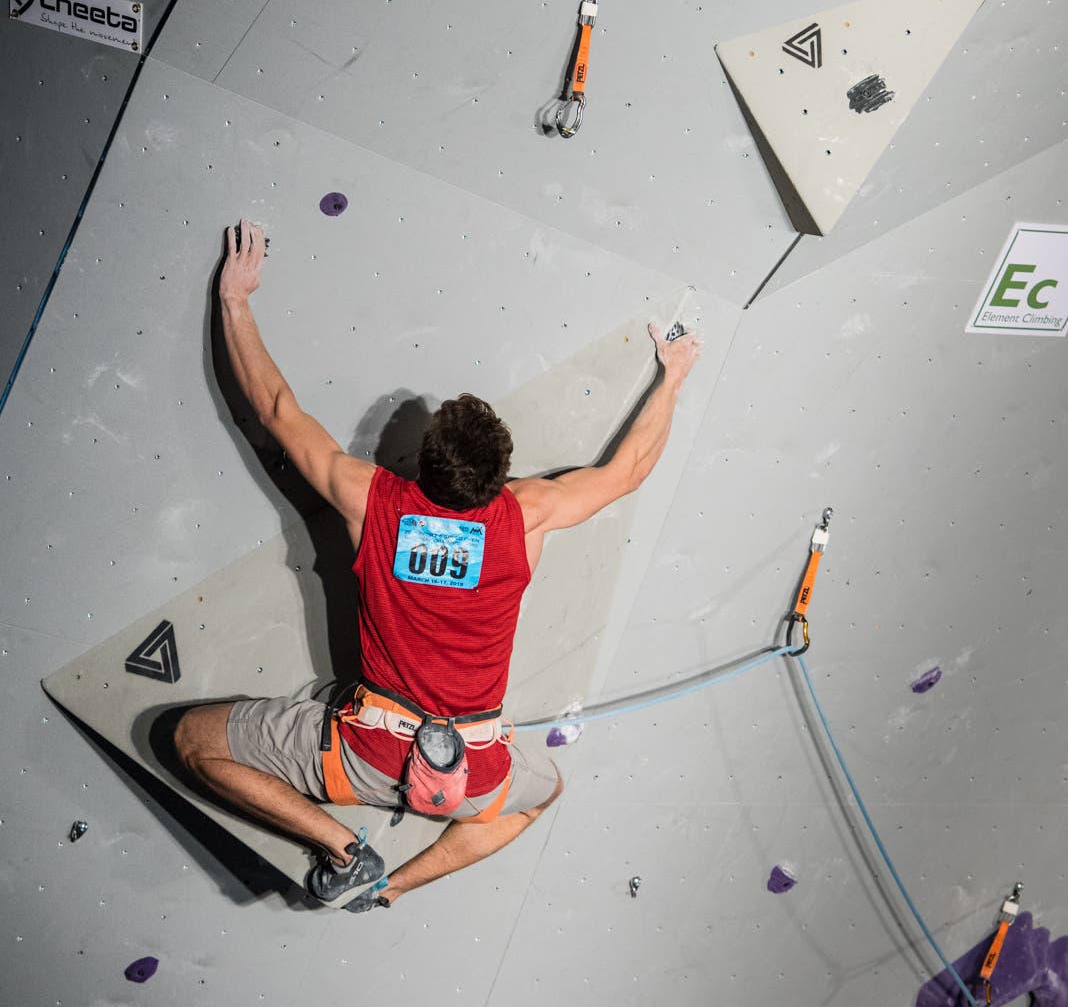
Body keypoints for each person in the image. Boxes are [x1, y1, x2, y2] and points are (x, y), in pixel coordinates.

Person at [176, 220, 702, 911]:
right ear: (499, 475)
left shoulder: (373, 500)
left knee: (192, 741)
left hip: (362, 754)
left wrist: (236, 301)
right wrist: (672, 379)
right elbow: (627, 470)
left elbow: (276, 407)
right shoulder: (526, 514)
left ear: (421, 466)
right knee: (540, 796)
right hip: (474, 769)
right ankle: (391, 888)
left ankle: (344, 851)